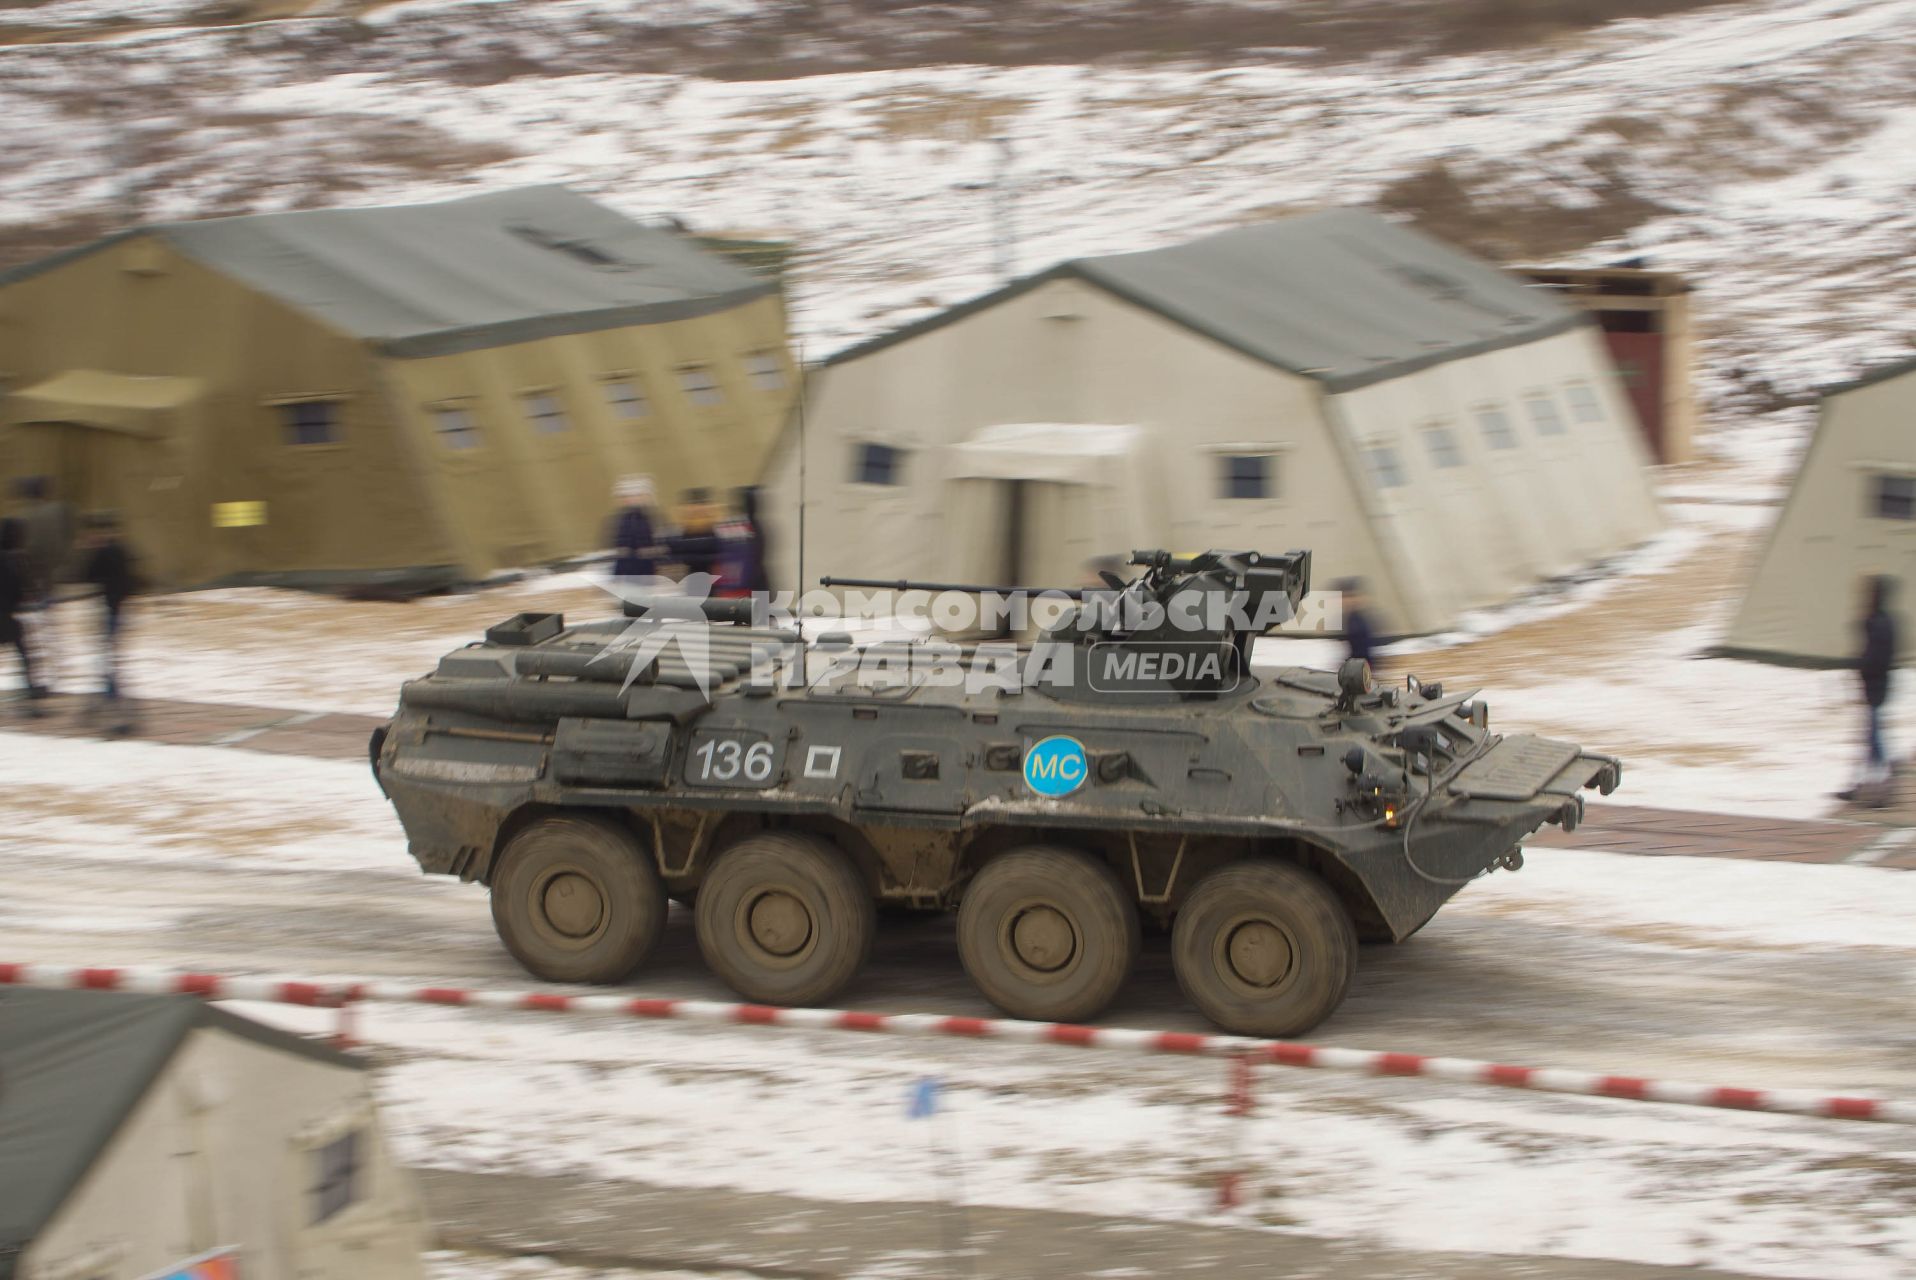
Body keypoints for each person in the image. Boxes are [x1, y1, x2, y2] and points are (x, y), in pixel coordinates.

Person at [79, 510, 138, 735]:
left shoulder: (103, 552)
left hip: (109, 611)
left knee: (107, 661)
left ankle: (116, 707)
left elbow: (85, 574)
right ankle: (110, 702)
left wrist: (90, 550)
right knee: (109, 659)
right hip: (120, 611)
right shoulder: (122, 549)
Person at [1840, 574, 1897, 804]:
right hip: (1876, 683)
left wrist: (1858, 665)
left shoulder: (1879, 623)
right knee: (1870, 737)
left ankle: (1881, 782)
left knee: (1873, 738)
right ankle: (1861, 785)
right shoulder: (1882, 620)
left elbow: (1874, 657)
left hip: (1875, 684)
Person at [0, 518, 44, 718]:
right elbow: (19, 588)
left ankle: (32, 690)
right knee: (24, 655)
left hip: (6, 616)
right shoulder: (13, 559)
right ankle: (32, 693)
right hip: (7, 617)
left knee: (23, 653)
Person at [606, 475, 665, 579]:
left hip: (644, 570)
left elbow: (660, 543)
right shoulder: (621, 519)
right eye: (627, 496)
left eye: (637, 495)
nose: (631, 499)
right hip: (631, 570)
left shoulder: (650, 517)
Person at [668, 487, 724, 582]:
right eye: (694, 504)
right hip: (697, 571)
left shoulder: (693, 524)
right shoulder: (690, 525)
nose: (697, 508)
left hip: (703, 571)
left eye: (701, 504)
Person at [1339, 577, 1377, 670]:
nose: (1346, 601)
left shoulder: (1361, 621)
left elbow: (1364, 654)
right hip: (1357, 670)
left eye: (1350, 596)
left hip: (1361, 671)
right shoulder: (1349, 618)